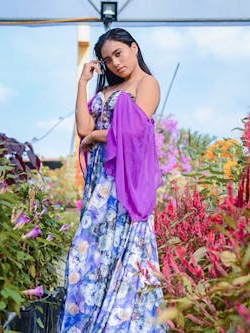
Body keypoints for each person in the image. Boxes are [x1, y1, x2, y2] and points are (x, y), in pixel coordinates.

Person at [59, 28, 167, 333]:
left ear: (134, 47)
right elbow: (83, 127)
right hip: (98, 187)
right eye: (107, 59)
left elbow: (133, 131)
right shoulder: (104, 91)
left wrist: (96, 136)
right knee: (86, 256)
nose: (114, 63)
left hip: (125, 186)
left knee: (125, 256)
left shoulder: (148, 83)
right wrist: (83, 82)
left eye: (118, 53)